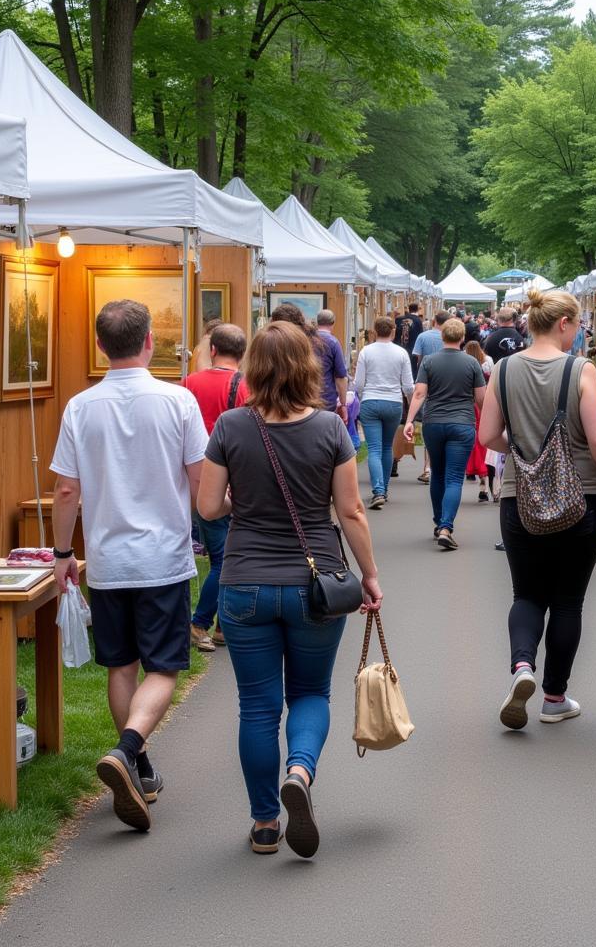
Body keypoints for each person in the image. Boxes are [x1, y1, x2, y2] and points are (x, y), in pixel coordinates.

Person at [197, 321, 382, 856]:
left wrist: (246, 505)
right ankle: (299, 772)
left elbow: (208, 507)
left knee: (257, 708)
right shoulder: (330, 429)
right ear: (308, 367)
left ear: (251, 367)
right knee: (309, 692)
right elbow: (349, 510)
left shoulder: (231, 426)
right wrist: (368, 576)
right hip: (315, 585)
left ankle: (262, 824)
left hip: (244, 584)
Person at [51, 299, 208, 831]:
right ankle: (127, 752)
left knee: (121, 665)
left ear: (100, 346)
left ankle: (135, 763)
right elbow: (199, 478)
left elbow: (66, 489)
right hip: (163, 556)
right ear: (149, 343)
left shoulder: (80, 406)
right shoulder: (178, 401)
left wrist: (62, 554)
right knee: (163, 666)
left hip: (109, 558)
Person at [479, 290, 596, 729]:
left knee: (527, 594)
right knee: (568, 601)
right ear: (564, 324)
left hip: (521, 498)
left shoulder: (502, 370)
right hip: (583, 498)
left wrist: (523, 453)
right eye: (577, 326)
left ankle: (522, 667)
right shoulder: (581, 370)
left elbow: (488, 436)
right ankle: (555, 697)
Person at [181, 323, 249, 653]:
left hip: (197, 480)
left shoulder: (188, 384)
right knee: (226, 558)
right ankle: (200, 622)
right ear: (243, 353)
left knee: (224, 556)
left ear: (212, 350)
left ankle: (222, 626)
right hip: (233, 482)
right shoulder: (245, 387)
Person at [404, 317, 485, 550]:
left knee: (438, 474)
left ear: (442, 337)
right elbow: (481, 399)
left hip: (434, 423)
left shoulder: (429, 362)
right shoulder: (472, 363)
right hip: (462, 425)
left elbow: (419, 394)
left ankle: (439, 521)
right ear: (462, 338)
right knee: (454, 478)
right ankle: (446, 527)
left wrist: (410, 421)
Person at [355, 316, 414, 509]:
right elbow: (408, 386)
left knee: (374, 448)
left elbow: (358, 383)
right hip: (393, 402)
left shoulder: (366, 351)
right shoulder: (401, 353)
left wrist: (365, 395)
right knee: (387, 447)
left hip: (371, 401)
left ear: (374, 331)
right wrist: (411, 407)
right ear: (393, 331)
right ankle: (385, 489)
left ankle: (378, 490)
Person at [271, 303, 348, 421]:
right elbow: (340, 376)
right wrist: (343, 403)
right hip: (319, 402)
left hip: (287, 405)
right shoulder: (327, 342)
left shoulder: (280, 345)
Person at [409, 310, 450, 483]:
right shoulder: (449, 337)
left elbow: (417, 359)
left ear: (434, 321)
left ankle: (427, 467)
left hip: (426, 382)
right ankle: (440, 466)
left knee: (429, 424)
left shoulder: (423, 337)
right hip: (446, 383)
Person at [463, 340, 493, 502]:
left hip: (468, 404)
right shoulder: (487, 361)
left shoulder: (463, 361)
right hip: (484, 402)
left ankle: (472, 470)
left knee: (471, 441)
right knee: (483, 442)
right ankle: (484, 481)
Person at [394, 302, 424, 376]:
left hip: (398, 347)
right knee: (411, 369)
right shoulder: (418, 321)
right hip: (412, 349)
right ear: (417, 310)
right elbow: (420, 336)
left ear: (409, 309)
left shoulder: (398, 319)